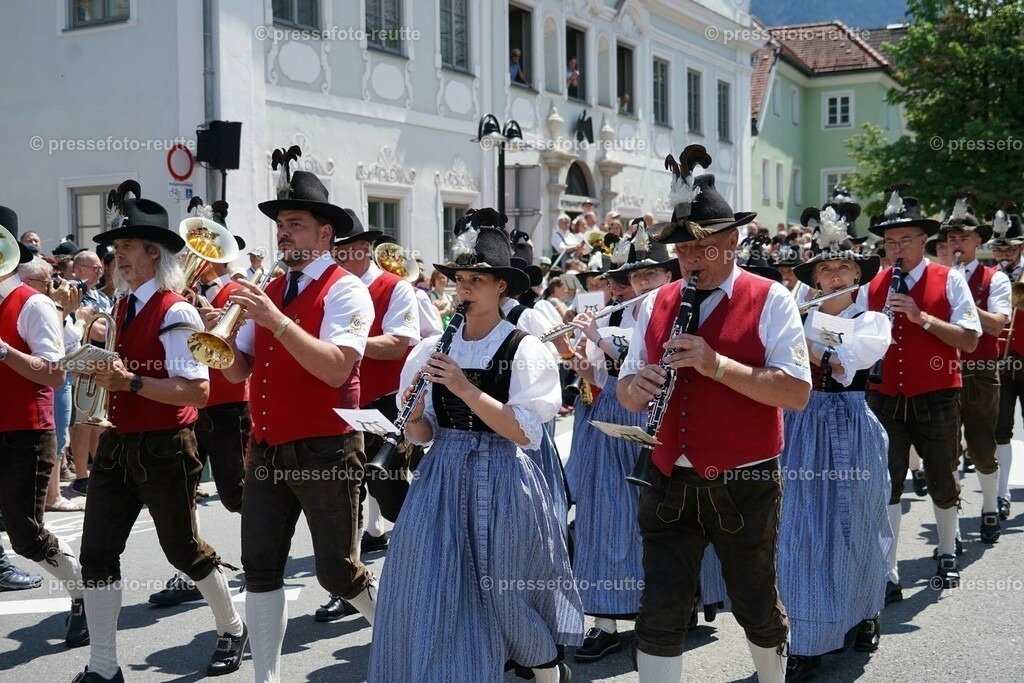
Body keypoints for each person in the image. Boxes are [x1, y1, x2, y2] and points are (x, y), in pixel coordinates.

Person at [617, 147, 811, 682]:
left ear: (732, 243)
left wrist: (716, 364)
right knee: (659, 609)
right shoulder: (656, 303)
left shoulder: (771, 299)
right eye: (682, 249)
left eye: (703, 246)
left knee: (753, 599)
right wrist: (638, 387)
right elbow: (626, 389)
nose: (691, 258)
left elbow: (795, 393)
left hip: (743, 478)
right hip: (664, 479)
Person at [368, 215, 582, 683]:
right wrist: (416, 414)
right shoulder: (432, 348)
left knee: (506, 592)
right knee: (435, 583)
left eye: (475, 280)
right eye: (460, 279)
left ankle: (548, 672)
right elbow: (423, 436)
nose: (462, 288)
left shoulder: (524, 349)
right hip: (442, 475)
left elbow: (524, 434)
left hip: (503, 474)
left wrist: (465, 389)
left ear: (500, 286)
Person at [72, 184, 244, 682]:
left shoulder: (177, 310)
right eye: (117, 249)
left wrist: (132, 381)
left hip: (166, 445)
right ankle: (103, 666)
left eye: (126, 248)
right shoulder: (122, 307)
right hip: (120, 442)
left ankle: (231, 626)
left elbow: (197, 391)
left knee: (182, 550)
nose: (117, 256)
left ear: (153, 252)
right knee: (96, 552)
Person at [221, 159, 377, 682]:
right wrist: (215, 342)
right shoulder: (273, 287)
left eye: (295, 225)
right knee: (260, 567)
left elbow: (336, 369)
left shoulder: (345, 289)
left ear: (325, 233)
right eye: (281, 225)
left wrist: (276, 320)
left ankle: (397, 631)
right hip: (266, 446)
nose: (283, 234)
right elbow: (240, 369)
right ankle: (267, 677)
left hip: (326, 446)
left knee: (337, 571)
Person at [556, 227, 681, 664]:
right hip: (610, 424)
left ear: (670, 275)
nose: (643, 284)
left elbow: (656, 357)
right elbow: (599, 380)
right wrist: (576, 351)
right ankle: (605, 621)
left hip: (658, 420)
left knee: (660, 520)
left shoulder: (679, 311)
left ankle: (664, 610)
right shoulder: (613, 315)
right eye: (638, 276)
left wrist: (600, 338)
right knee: (604, 517)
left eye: (652, 275)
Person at [779, 204, 893, 680]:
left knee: (855, 522)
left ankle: (865, 609)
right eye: (826, 268)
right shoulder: (793, 311)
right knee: (801, 530)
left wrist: (807, 334)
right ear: (816, 276)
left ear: (856, 273)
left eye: (843, 266)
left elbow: (844, 360)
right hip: (802, 424)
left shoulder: (873, 320)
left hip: (848, 426)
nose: (834, 274)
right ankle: (806, 637)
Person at [857, 185, 981, 599]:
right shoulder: (872, 285)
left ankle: (946, 550)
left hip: (937, 394)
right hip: (884, 396)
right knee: (888, 482)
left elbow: (969, 341)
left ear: (922, 241)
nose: (895, 249)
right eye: (889, 242)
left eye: (904, 241)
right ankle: (889, 567)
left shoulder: (949, 280)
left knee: (943, 478)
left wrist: (921, 317)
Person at [317, 215, 420, 621]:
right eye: (334, 250)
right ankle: (350, 585)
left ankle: (425, 569)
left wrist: (347, 345)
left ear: (362, 247)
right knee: (347, 497)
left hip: (385, 406)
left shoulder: (395, 287)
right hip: (342, 406)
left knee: (394, 498)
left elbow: (399, 344)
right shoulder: (328, 288)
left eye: (343, 249)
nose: (337, 256)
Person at [148, 199, 249, 607]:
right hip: (191, 404)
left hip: (226, 403)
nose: (194, 258)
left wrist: (213, 320)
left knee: (236, 491)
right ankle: (190, 568)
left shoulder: (235, 291)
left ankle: (260, 558)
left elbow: (241, 353)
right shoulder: (181, 295)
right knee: (185, 490)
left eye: (203, 252)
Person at [0, 208, 88, 649]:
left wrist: (4, 353)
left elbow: (54, 374)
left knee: (27, 535)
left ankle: (83, 592)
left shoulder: (31, 303)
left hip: (25, 433)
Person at [941, 196, 1009, 543]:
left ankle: (989, 507)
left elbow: (997, 325)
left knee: (982, 446)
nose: (956, 244)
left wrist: (962, 293)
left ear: (977, 241)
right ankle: (949, 527)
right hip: (944, 371)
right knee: (947, 450)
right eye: (951, 238)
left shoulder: (994, 278)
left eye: (963, 238)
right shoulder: (941, 276)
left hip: (980, 369)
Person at [68, 250, 115, 496]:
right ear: (80, 269)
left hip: (102, 358)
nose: (100, 271)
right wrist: (96, 325)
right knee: (83, 421)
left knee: (98, 419)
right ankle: (80, 476)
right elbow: (97, 329)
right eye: (94, 267)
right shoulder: (71, 294)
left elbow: (105, 326)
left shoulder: (101, 297)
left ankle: (98, 469)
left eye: (100, 267)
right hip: (81, 360)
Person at [992, 207, 1024, 521]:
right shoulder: (990, 277)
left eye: (1010, 248)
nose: (1004, 253)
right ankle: (1001, 494)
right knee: (1001, 430)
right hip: (1000, 362)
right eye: (999, 248)